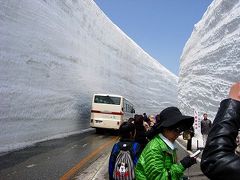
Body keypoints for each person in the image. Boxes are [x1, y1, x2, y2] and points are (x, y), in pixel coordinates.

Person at [135, 107, 197, 180]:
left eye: (180, 130)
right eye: (176, 130)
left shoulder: (167, 145)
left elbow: (169, 170)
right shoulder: (154, 149)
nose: (177, 134)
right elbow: (159, 177)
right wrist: (182, 165)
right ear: (165, 128)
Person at [201, 82, 240, 180]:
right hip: (205, 133)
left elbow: (214, 160)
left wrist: (233, 103)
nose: (205, 117)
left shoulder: (209, 121)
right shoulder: (202, 121)